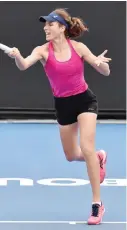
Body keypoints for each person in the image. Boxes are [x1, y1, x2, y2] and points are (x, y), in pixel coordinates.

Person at [7, 8, 111, 225]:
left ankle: (96, 205)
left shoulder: (79, 48)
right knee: (72, 154)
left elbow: (105, 72)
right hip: (63, 105)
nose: (46, 27)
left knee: (87, 146)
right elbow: (24, 65)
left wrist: (100, 64)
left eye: (50, 24)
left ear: (62, 27)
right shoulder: (43, 51)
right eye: (45, 24)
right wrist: (17, 56)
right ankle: (99, 157)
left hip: (84, 100)